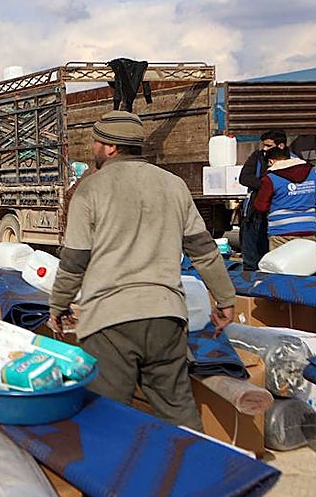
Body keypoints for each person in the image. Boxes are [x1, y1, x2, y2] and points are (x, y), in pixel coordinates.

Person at [48, 111, 236, 429]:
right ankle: (197, 473)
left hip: (110, 321)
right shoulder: (173, 186)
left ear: (110, 148)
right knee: (178, 410)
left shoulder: (90, 190)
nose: (92, 147)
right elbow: (204, 251)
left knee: (108, 417)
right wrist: (225, 298)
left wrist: (58, 304)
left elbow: (75, 260)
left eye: (96, 141)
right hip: (166, 316)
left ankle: (116, 477)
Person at [238, 130, 288, 270]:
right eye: (264, 145)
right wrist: (266, 185)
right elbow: (244, 177)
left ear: (281, 146)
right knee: (251, 248)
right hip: (256, 209)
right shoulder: (258, 157)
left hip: (278, 211)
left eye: (268, 146)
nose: (265, 149)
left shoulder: (292, 160)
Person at [251, 143, 315, 249]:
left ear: (271, 161)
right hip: (310, 229)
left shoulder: (271, 179)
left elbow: (261, 206)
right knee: (307, 264)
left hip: (282, 232)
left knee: (281, 264)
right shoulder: (312, 174)